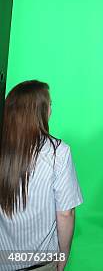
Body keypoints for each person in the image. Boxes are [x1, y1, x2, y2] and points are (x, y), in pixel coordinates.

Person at [0, 81, 83, 271]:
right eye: (50, 104)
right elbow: (65, 212)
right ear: (40, 111)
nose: (51, 110)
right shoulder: (58, 152)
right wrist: (63, 257)